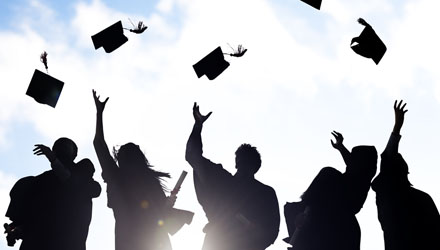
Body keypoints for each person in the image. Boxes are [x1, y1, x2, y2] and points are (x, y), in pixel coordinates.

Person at [185, 102, 280, 250]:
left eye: (246, 162)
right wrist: (198, 126)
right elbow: (192, 156)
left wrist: (253, 231)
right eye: (242, 161)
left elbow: (271, 232)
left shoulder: (264, 192)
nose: (243, 166)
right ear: (237, 163)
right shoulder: (223, 181)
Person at [93, 90, 180, 250]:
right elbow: (99, 143)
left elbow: (99, 143)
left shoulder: (117, 176)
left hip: (138, 240)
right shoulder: (126, 177)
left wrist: (99, 113)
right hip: (153, 240)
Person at [284, 131, 377, 250]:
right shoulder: (356, 178)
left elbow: (354, 165)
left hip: (334, 217)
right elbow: (351, 163)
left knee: (328, 172)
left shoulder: (354, 180)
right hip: (328, 213)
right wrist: (341, 147)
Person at [4, 138, 101, 250]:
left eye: (65, 146)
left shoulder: (82, 171)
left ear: (74, 154)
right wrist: (17, 231)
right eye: (57, 147)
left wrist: (53, 160)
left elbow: (72, 183)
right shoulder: (39, 181)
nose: (61, 148)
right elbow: (34, 218)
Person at [371, 100, 440, 250]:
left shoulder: (385, 195)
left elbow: (388, 158)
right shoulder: (418, 198)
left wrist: (397, 128)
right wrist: (396, 128)